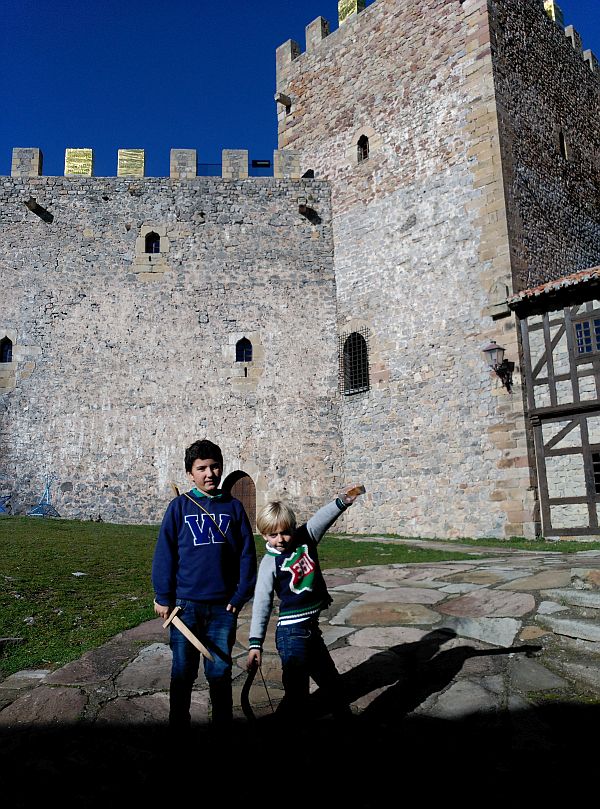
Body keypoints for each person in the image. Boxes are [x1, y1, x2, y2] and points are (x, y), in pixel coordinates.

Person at [152, 439, 257, 730]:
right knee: (183, 672)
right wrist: (163, 595)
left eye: (214, 467)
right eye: (201, 468)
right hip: (185, 607)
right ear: (190, 474)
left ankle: (222, 728)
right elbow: (165, 553)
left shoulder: (234, 508)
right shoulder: (179, 507)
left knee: (220, 672)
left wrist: (240, 594)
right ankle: (179, 728)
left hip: (223, 607)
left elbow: (247, 555)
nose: (209, 473)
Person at [246, 485, 364, 724]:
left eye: (286, 532)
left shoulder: (306, 538)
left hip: (311, 631)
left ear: (293, 528)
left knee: (332, 683)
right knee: (297, 693)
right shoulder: (269, 563)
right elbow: (261, 603)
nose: (280, 539)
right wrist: (255, 643)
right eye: (273, 534)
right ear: (263, 534)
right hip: (291, 635)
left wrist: (342, 501)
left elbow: (322, 517)